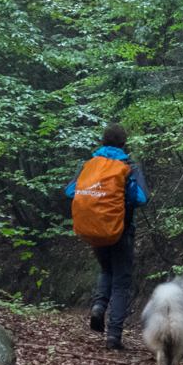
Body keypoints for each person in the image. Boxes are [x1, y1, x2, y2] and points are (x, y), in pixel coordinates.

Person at [65, 124, 150, 350]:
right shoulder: (129, 166)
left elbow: (70, 191)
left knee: (106, 270)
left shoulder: (89, 165)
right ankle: (113, 337)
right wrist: (122, 198)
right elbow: (142, 198)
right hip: (121, 230)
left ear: (103, 142)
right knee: (121, 282)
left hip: (94, 229)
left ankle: (98, 307)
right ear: (124, 143)